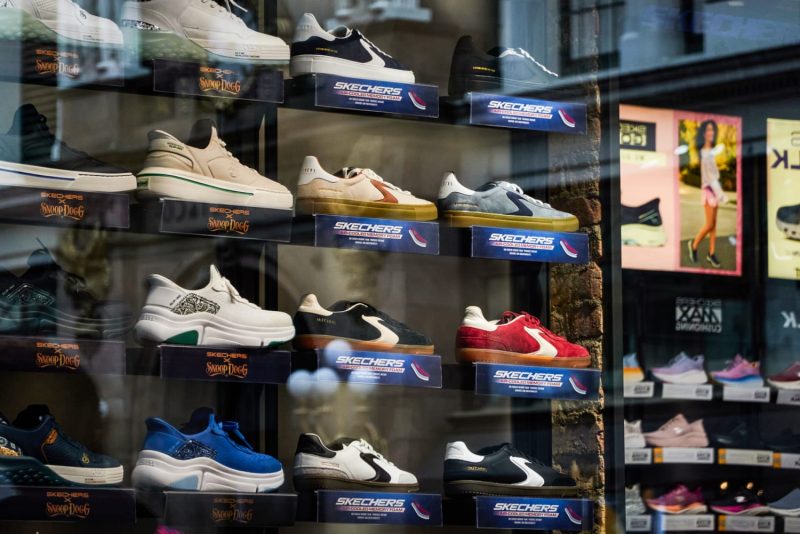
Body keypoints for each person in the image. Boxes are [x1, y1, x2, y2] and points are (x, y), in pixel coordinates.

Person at [688, 119, 726, 268]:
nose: (711, 132)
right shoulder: (704, 153)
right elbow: (710, 178)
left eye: (713, 129)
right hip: (709, 191)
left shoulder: (711, 152)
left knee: (714, 224)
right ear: (703, 133)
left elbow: (714, 175)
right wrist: (721, 194)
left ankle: (711, 253)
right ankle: (694, 244)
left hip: (714, 190)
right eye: (708, 130)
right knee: (709, 224)